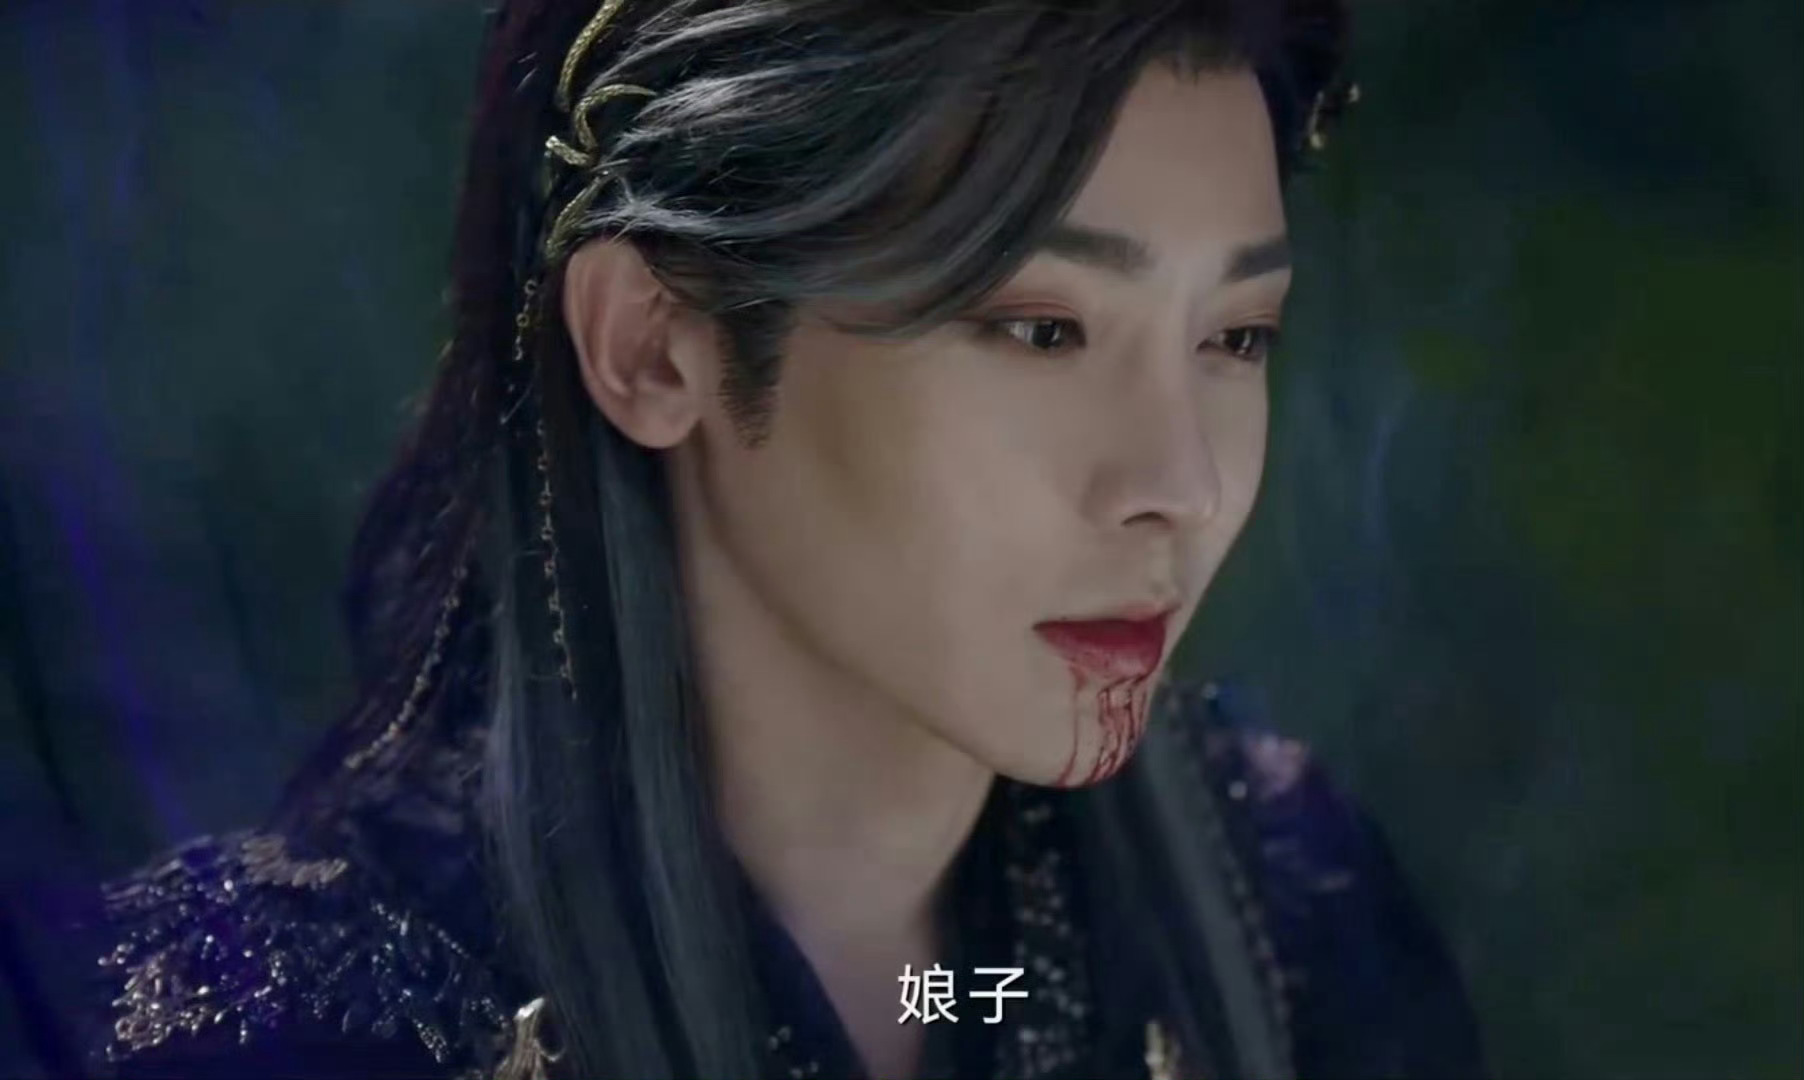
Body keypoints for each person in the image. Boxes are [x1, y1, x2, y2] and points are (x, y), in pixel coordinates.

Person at [84, 1, 1482, 1077]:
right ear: (655, 346)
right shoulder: (291, 1023)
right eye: (1042, 329)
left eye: (1236, 338)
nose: (1180, 483)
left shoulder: (1285, 916)